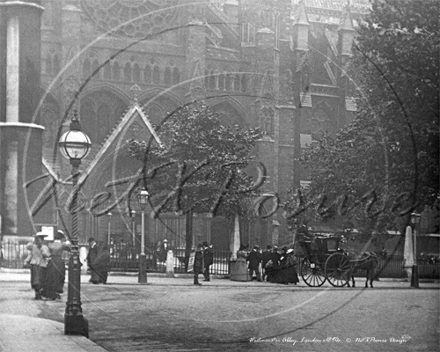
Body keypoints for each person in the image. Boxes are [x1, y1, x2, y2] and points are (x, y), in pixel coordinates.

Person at [45, 230, 71, 300]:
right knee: (60, 276)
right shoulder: (62, 245)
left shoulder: (50, 244)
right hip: (59, 261)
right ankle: (57, 291)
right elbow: (70, 249)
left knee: (51, 277)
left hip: (52, 260)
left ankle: (51, 293)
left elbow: (48, 254)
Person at [24, 232, 51, 300]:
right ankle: (38, 293)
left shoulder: (37, 246)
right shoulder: (39, 246)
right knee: (39, 279)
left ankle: (38, 293)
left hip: (36, 264)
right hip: (40, 265)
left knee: (37, 280)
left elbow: (30, 252)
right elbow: (47, 255)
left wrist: (26, 261)